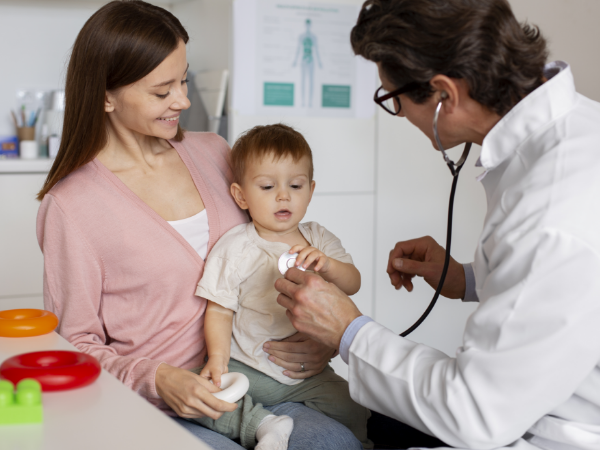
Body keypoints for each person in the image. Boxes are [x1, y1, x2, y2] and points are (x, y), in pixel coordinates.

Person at [34, 2, 363, 449]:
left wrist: (319, 336)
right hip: (165, 402)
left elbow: (278, 253)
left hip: (258, 375)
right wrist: (158, 378)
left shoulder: (216, 153)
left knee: (334, 442)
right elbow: (75, 345)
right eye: (162, 90)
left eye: (183, 80)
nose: (184, 101)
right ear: (106, 95)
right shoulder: (72, 206)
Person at [274, 1, 600, 449]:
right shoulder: (577, 130)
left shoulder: (554, 210)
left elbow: (475, 414)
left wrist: (347, 329)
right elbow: (560, 295)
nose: (400, 113)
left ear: (444, 93)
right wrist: (465, 278)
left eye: (393, 98)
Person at [193, 124, 371, 449]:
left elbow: (354, 282)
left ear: (311, 190)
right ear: (240, 195)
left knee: (354, 406)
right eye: (267, 186)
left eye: (295, 185)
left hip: (308, 376)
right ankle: (263, 423)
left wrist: (328, 265)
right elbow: (218, 308)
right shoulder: (236, 247)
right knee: (199, 395)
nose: (283, 195)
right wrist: (217, 359)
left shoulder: (318, 239)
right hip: (248, 368)